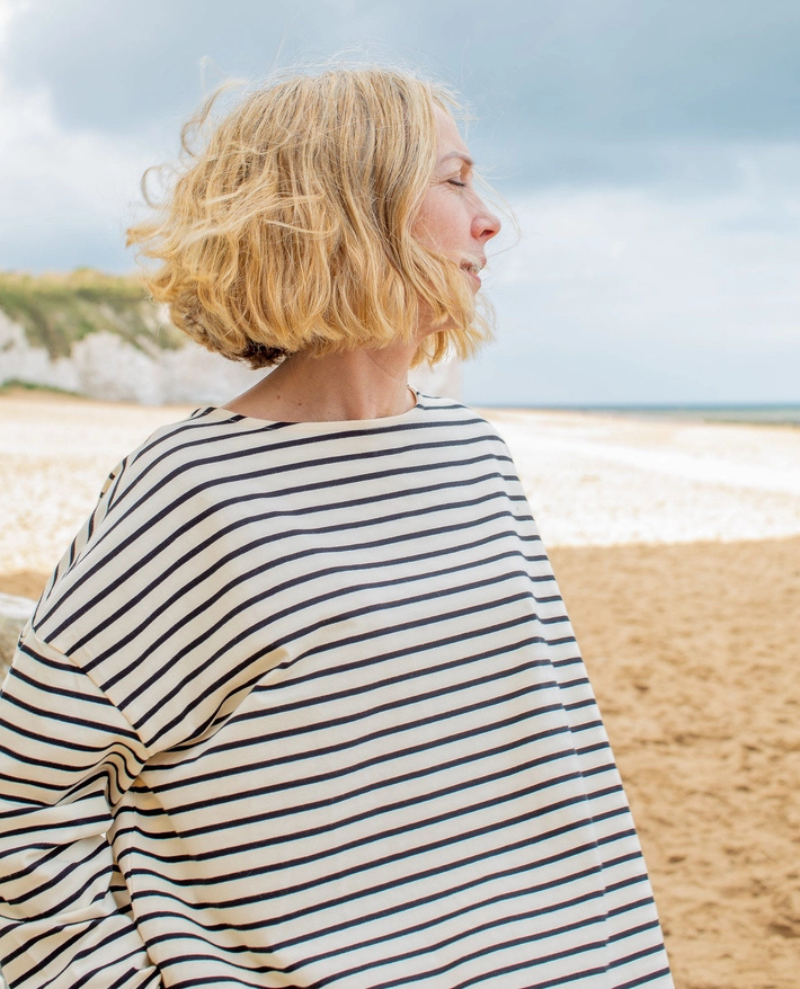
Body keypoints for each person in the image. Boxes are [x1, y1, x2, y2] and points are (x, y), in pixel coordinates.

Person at [0, 67, 673, 988]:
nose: (490, 220)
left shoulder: (477, 459)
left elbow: (569, 791)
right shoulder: (192, 492)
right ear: (350, 209)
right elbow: (27, 801)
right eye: (453, 178)